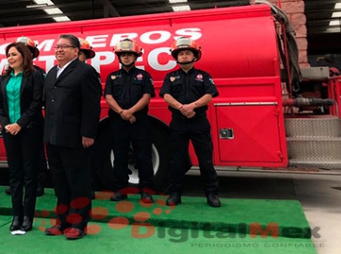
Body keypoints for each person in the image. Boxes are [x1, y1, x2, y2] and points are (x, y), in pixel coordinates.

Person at [43, 34, 101, 240]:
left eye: (64, 47)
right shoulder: (51, 73)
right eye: (57, 47)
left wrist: (88, 133)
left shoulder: (86, 72)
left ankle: (79, 223)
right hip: (53, 137)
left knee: (78, 181)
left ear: (76, 51)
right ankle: (62, 220)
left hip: (75, 137)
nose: (59, 50)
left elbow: (92, 106)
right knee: (59, 182)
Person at [159, 37, 221, 208]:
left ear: (195, 56)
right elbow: (166, 95)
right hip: (178, 123)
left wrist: (192, 106)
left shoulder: (204, 76)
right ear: (176, 57)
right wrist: (181, 107)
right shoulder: (170, 77)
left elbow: (209, 95)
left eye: (187, 53)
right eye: (181, 54)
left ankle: (211, 194)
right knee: (176, 160)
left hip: (199, 122)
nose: (184, 56)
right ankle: (175, 194)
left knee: (205, 160)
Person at [0, 41, 44, 232]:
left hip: (29, 130)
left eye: (14, 54)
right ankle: (16, 214)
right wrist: (6, 123)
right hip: (10, 131)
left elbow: (36, 103)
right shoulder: (5, 78)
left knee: (29, 174)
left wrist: (20, 124)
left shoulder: (35, 76)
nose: (10, 58)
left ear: (24, 56)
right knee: (14, 174)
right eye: (8, 55)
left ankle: (27, 217)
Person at [104, 39, 155, 203]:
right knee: (119, 157)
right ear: (119, 57)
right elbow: (108, 97)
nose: (126, 58)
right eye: (123, 55)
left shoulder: (144, 76)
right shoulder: (112, 77)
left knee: (144, 157)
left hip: (139, 122)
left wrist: (131, 112)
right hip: (118, 122)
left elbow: (146, 97)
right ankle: (120, 190)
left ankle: (146, 191)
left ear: (136, 57)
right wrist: (122, 112)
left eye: (129, 55)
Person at [13, 36, 47, 197]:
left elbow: (39, 99)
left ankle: (38, 184)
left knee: (37, 154)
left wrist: (24, 120)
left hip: (33, 121)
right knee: (17, 155)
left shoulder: (39, 73)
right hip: (14, 122)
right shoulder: (9, 73)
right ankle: (17, 184)